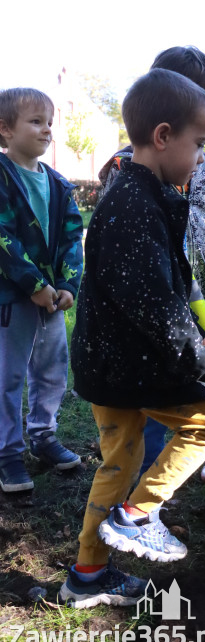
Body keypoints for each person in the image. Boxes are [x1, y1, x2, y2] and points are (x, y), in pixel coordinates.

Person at [59, 70, 205, 609]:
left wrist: (201, 343)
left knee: (118, 462)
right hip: (128, 365)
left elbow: (166, 291)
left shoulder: (145, 195)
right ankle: (140, 514)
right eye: (199, 144)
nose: (200, 159)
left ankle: (86, 574)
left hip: (117, 363)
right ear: (164, 136)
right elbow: (154, 305)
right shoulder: (133, 207)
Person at [98, 46, 205, 522]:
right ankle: (150, 502)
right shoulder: (125, 171)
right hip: (162, 316)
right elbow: (124, 258)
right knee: (159, 404)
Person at [0, 88, 83, 494]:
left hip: (52, 301)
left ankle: (43, 435)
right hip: (12, 298)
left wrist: (67, 284)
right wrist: (33, 284)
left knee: (51, 372)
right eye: (35, 121)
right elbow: (2, 238)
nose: (46, 128)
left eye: (49, 121)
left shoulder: (59, 184)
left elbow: (72, 236)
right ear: (5, 129)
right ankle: (7, 452)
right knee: (7, 376)